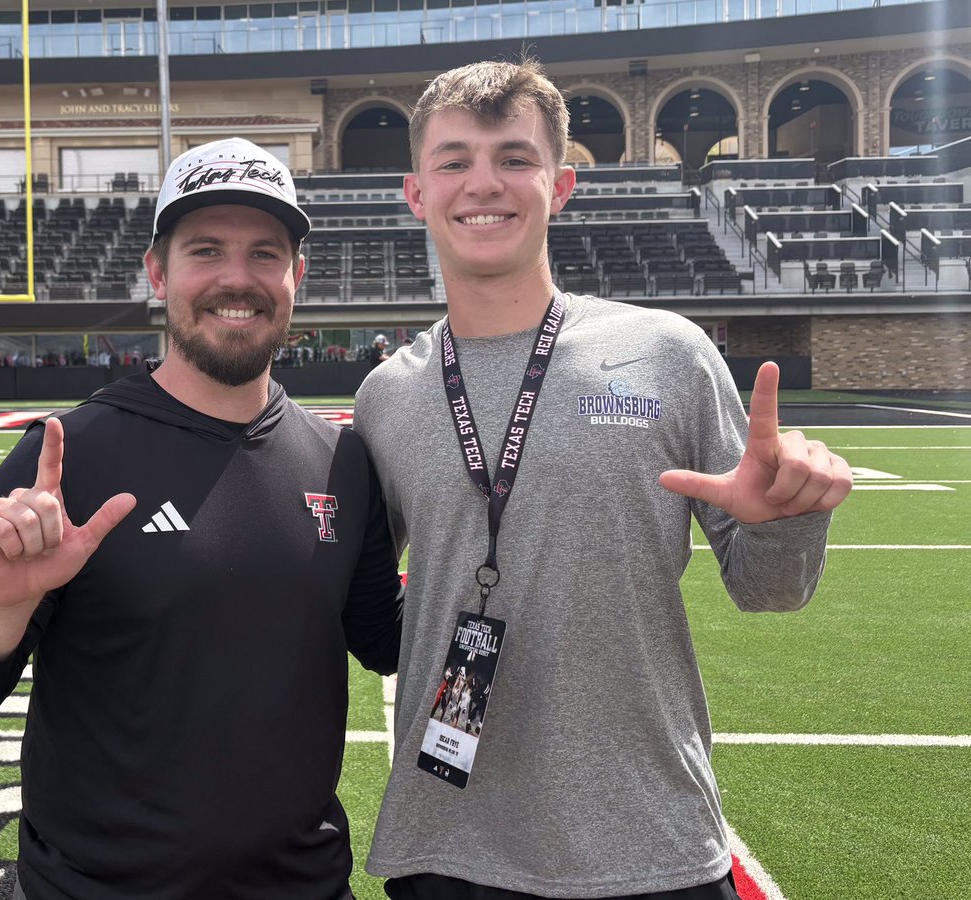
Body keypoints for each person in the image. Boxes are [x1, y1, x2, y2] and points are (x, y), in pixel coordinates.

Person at [353, 58, 853, 900]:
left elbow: (771, 593)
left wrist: (786, 519)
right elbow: (359, 605)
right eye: (455, 161)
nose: (485, 183)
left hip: (650, 839)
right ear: (415, 192)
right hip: (445, 849)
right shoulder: (387, 396)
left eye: (514, 158)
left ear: (562, 185)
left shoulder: (668, 353)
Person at [0, 137, 403, 900]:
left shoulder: (342, 461)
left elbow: (388, 639)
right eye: (206, 250)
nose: (238, 279)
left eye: (264, 254)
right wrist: (0, 601)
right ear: (158, 272)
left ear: (296, 277)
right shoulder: (70, 455)